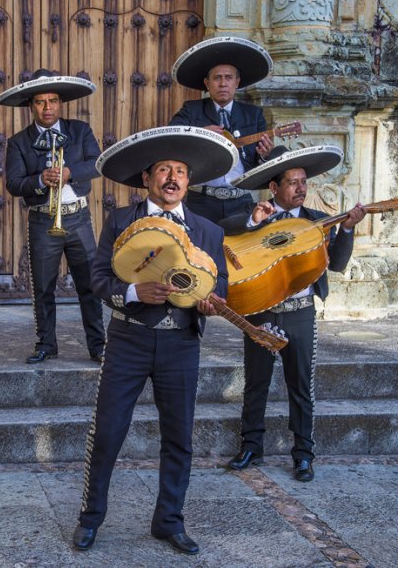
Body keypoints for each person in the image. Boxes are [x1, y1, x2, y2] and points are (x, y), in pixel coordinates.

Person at [73, 126, 237, 555]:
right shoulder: (121, 220)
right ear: (146, 178)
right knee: (108, 432)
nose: (172, 177)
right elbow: (97, 280)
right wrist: (132, 292)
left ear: (188, 181)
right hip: (129, 339)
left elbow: (221, 289)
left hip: (181, 344)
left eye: (180, 171)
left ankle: (169, 521)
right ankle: (90, 519)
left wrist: (210, 304)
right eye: (164, 169)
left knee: (180, 435)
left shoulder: (208, 232)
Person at [218, 145, 366, 482]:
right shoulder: (256, 214)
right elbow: (222, 229)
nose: (300, 188)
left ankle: (303, 455)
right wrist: (253, 222)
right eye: (292, 182)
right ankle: (252, 446)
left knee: (300, 386)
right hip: (261, 309)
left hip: (300, 312)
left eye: (304, 182)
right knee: (256, 383)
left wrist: (347, 229)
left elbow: (339, 265)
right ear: (274, 187)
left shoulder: (317, 222)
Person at [0, 69, 105, 364]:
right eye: (41, 102)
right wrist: (40, 179)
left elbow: (97, 163)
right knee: (43, 286)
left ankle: (98, 345)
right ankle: (46, 343)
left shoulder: (79, 130)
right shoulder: (19, 141)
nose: (47, 108)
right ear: (32, 105)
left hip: (78, 217)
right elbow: (13, 184)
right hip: (43, 219)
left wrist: (69, 172)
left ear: (60, 103)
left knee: (89, 284)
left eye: (53, 101)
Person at [169, 36, 274, 223]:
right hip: (201, 201)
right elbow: (172, 136)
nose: (223, 83)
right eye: (217, 78)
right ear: (207, 84)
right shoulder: (191, 110)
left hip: (241, 201)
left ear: (237, 82)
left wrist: (265, 155)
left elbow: (260, 164)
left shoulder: (254, 114)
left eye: (228, 78)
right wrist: (201, 133)